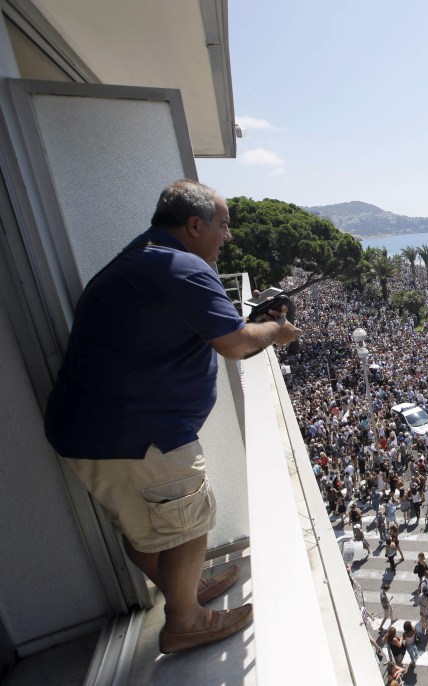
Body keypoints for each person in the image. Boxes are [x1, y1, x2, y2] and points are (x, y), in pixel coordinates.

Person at [44, 180, 302, 654]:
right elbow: (237, 343)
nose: (228, 237)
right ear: (194, 225)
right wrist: (274, 329)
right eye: (223, 226)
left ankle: (182, 589)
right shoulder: (183, 267)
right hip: (141, 437)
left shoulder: (141, 257)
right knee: (186, 521)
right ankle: (184, 620)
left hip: (96, 431)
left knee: (141, 525)